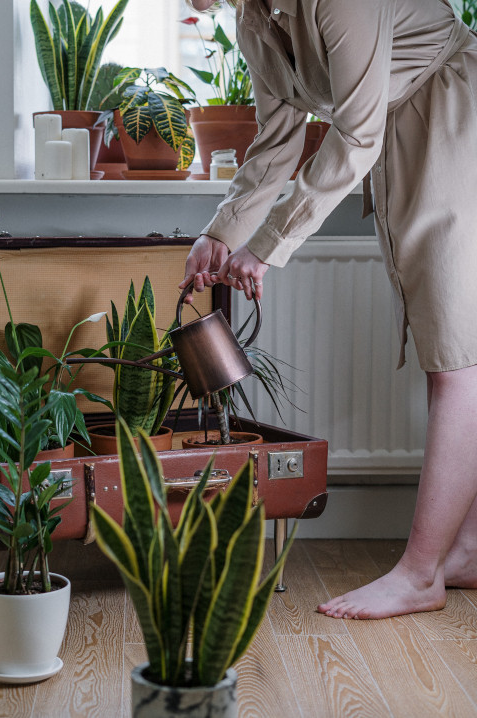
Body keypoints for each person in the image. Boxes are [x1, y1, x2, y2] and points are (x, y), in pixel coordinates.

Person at [181, 0, 477, 620]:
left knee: (455, 356)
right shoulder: (254, 16)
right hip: (400, 128)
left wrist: (267, 247)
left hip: (453, 108)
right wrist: (223, 233)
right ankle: (468, 550)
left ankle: (421, 575)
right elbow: (279, 136)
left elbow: (357, 132)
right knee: (453, 349)